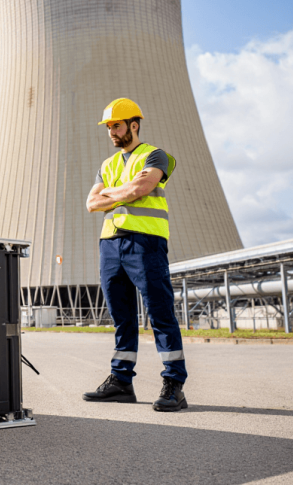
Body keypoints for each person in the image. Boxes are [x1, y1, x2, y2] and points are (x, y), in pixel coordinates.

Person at [82, 98, 188, 412]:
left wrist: (111, 194)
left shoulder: (155, 155)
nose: (112, 131)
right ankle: (120, 381)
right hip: (111, 245)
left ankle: (174, 384)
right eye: (109, 126)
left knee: (159, 313)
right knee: (121, 317)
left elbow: (138, 190)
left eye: (116, 125)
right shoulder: (107, 164)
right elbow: (90, 203)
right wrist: (122, 191)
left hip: (145, 242)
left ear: (134, 125)